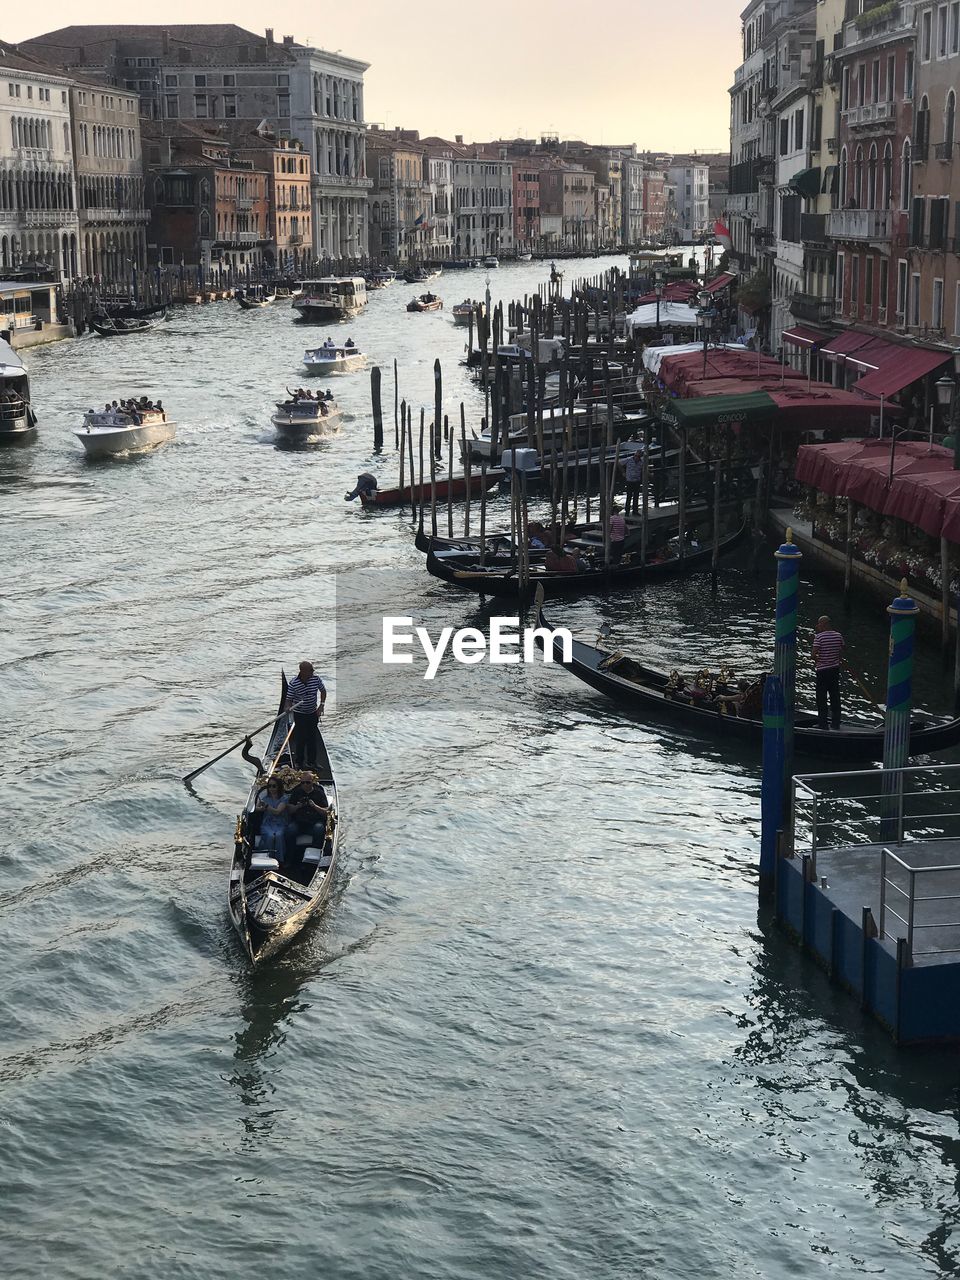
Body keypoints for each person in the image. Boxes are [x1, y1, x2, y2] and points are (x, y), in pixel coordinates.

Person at [285, 660, 326, 768]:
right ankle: (299, 762)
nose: (313, 671)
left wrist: (321, 706)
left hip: (313, 713)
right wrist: (288, 707)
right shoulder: (294, 683)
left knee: (312, 738)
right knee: (301, 738)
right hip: (300, 714)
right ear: (303, 671)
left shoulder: (316, 679)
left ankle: (312, 762)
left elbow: (323, 691)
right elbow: (288, 699)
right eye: (311, 670)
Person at [812, 615, 844, 729]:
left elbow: (813, 654)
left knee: (821, 698)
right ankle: (836, 723)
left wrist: (817, 659)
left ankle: (823, 724)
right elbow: (840, 652)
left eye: (819, 624)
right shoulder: (838, 636)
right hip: (834, 670)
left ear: (824, 624)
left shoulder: (819, 637)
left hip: (822, 671)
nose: (817, 626)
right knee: (835, 696)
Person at [286, 774, 330, 848]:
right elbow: (289, 810)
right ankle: (290, 854)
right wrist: (297, 806)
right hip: (299, 822)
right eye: (303, 783)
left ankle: (316, 851)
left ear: (312, 782)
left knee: (319, 829)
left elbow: (326, 812)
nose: (305, 785)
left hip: (314, 822)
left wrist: (315, 806)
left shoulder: (319, 793)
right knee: (290, 829)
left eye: (308, 782)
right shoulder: (297, 792)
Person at [254, 777, 291, 864]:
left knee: (278, 835)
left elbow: (277, 811)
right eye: (269, 786)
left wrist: (267, 807)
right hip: (268, 823)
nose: (271, 788)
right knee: (270, 836)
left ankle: (280, 860)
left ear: (278, 787)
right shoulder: (265, 798)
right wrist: (261, 808)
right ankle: (268, 859)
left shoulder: (284, 798)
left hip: (280, 823)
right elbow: (256, 808)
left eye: (274, 786)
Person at [624, 449, 644, 517]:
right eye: (636, 456)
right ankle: (627, 511)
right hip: (629, 481)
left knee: (636, 496)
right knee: (629, 496)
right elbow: (619, 463)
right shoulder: (628, 460)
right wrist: (623, 472)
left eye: (638, 456)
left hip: (637, 481)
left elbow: (644, 469)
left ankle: (635, 511)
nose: (637, 457)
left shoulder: (641, 462)